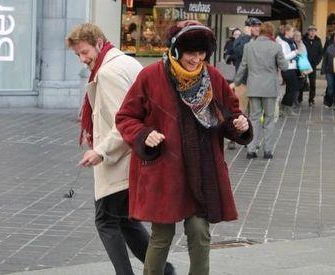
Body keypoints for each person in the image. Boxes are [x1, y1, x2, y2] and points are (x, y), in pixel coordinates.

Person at [115, 21, 253, 275]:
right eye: (191, 52)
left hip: (202, 171)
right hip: (165, 170)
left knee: (200, 233)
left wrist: (240, 125)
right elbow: (126, 117)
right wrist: (144, 135)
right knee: (161, 236)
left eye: (201, 53)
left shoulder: (213, 77)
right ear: (176, 50)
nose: (196, 58)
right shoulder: (151, 76)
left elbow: (230, 115)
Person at [66, 23, 174, 275]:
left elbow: (123, 123)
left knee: (105, 221)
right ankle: (164, 271)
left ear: (99, 44)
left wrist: (100, 151)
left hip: (118, 160)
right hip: (134, 156)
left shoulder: (107, 73)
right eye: (78, 55)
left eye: (84, 52)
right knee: (125, 221)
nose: (83, 60)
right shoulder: (126, 61)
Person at [234, 22, 288, 159]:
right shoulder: (276, 46)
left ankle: (251, 149)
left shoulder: (249, 46)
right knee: (269, 119)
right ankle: (268, 150)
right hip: (270, 88)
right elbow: (284, 66)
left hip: (254, 87)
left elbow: (243, 67)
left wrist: (237, 82)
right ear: (271, 33)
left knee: (254, 118)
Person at [276, 25, 300, 116]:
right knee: (293, 87)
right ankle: (285, 107)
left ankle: (285, 107)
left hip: (293, 67)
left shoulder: (291, 41)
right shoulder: (282, 42)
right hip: (287, 67)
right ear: (286, 32)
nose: (293, 33)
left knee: (291, 88)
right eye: (292, 31)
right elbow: (284, 57)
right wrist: (295, 52)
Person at [302, 25, 323, 107]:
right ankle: (299, 99)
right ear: (308, 31)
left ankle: (311, 100)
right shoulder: (303, 40)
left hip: (313, 65)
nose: (312, 32)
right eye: (311, 30)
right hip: (304, 64)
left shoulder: (318, 40)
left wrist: (317, 61)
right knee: (302, 82)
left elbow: (321, 52)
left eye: (314, 31)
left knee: (312, 83)